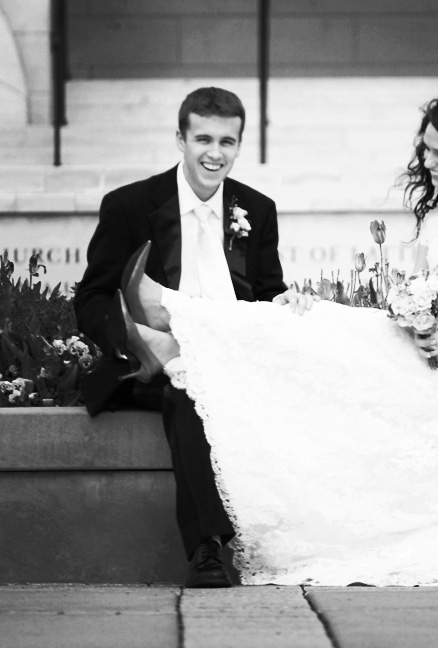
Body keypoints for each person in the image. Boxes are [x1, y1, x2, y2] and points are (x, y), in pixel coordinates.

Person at [103, 93, 438, 587]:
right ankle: (174, 326)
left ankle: (168, 315)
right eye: (426, 150)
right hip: (432, 340)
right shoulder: (437, 215)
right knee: (317, 321)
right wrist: (417, 321)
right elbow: (420, 287)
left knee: (334, 328)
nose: (429, 162)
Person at [74, 87, 312, 589]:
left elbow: (266, 292)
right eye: (203, 139)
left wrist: (285, 303)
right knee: (189, 387)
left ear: (239, 145)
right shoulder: (129, 206)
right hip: (152, 364)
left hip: (235, 359)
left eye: (227, 142)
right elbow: (92, 299)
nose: (214, 153)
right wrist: (144, 342)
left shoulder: (257, 208)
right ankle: (207, 547)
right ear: (180, 139)